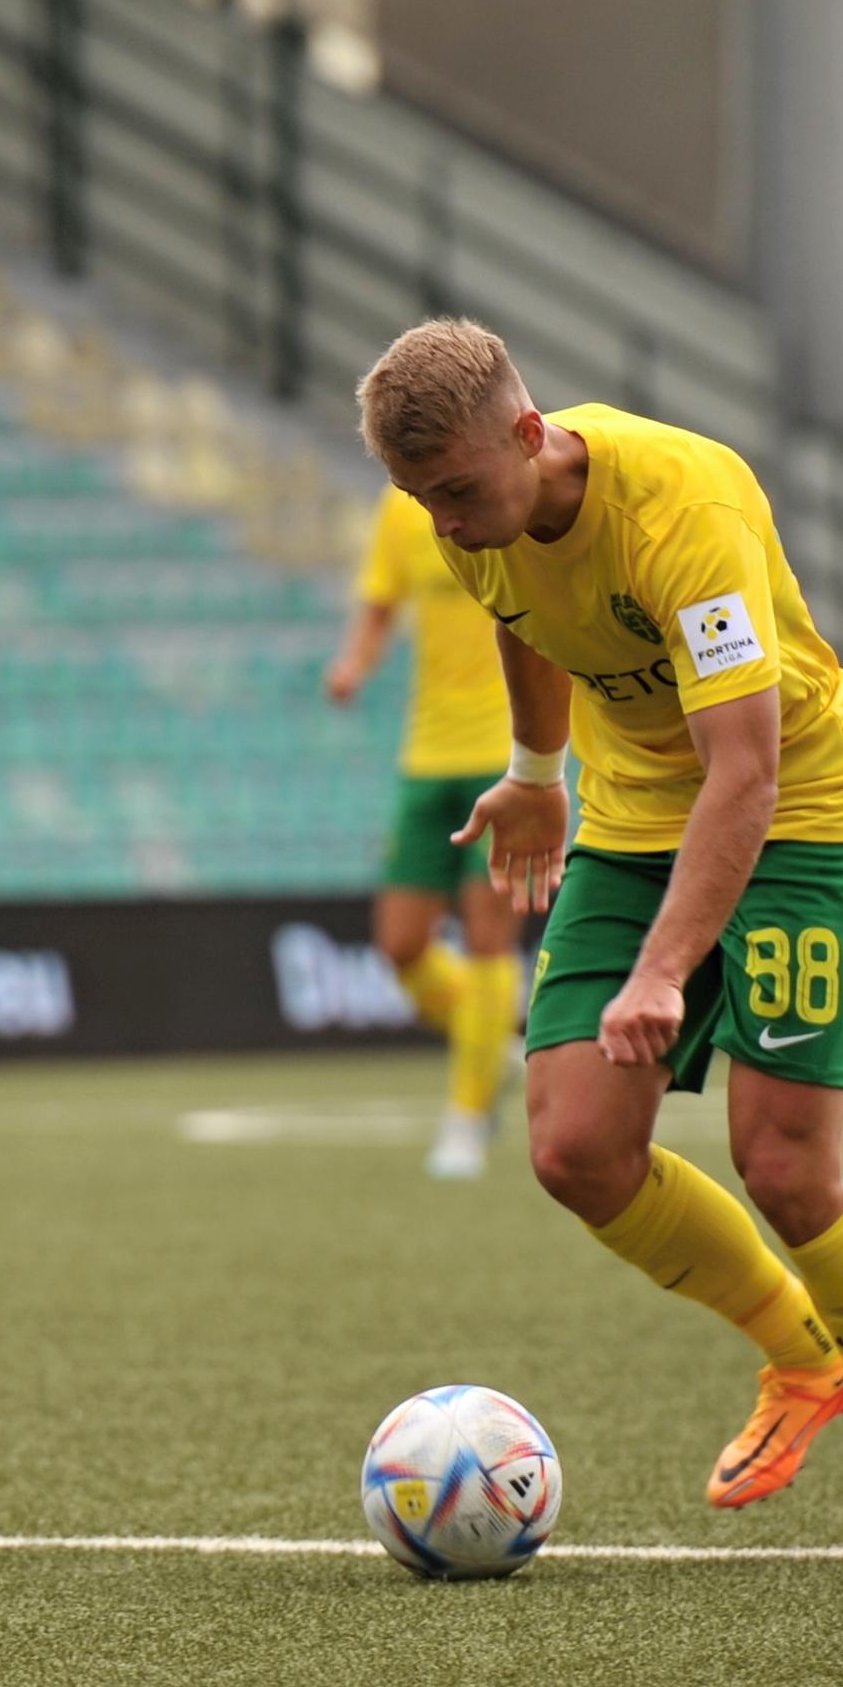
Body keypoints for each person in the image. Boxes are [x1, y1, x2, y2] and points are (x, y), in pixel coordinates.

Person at [355, 318, 843, 1565]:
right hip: (637, 820)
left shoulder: (681, 507)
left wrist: (660, 970)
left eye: (460, 492)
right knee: (578, 1150)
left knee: (788, 1169)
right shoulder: (471, 516)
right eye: (420, 501)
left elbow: (744, 777)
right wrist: (538, 774)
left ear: (530, 437)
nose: (445, 522)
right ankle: (804, 1360)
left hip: (796, 815)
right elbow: (521, 620)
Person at [323, 484, 524, 1178]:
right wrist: (355, 665)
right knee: (401, 945)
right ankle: (492, 1042)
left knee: (488, 937)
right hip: (426, 753)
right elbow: (380, 607)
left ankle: (466, 1120)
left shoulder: (513, 496)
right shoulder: (400, 509)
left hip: (507, 750)